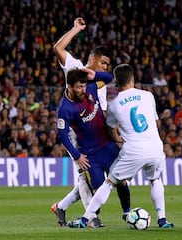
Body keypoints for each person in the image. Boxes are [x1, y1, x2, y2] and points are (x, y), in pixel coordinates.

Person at [68, 64, 174, 228]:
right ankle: (162, 219)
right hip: (155, 147)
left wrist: (119, 138)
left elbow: (111, 132)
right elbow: (156, 123)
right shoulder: (148, 96)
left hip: (133, 151)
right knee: (155, 179)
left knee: (109, 183)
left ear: (116, 83)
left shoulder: (114, 104)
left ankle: (84, 219)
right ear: (133, 79)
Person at [51, 17, 129, 226]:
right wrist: (76, 29)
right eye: (102, 62)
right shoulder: (75, 67)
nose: (105, 67)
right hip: (77, 133)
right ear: (92, 58)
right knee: (85, 173)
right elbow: (58, 47)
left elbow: (103, 107)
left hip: (97, 134)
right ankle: (92, 217)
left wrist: (114, 135)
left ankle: (62, 206)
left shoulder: (96, 83)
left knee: (95, 179)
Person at [56, 68, 130, 228]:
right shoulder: (65, 109)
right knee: (98, 191)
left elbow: (110, 77)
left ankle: (127, 213)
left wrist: (94, 75)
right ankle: (90, 219)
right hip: (90, 155)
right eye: (79, 87)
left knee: (122, 181)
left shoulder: (91, 87)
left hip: (108, 147)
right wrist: (76, 155)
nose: (83, 90)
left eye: (84, 86)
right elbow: (62, 135)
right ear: (69, 86)